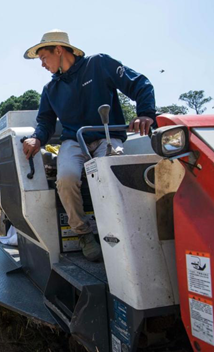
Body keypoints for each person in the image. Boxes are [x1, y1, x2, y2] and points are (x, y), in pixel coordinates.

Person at [22, 29, 156, 262]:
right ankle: (84, 234)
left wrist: (145, 113)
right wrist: (37, 138)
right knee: (66, 179)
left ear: (59, 49)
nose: (42, 64)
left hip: (107, 136)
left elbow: (140, 84)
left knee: (111, 175)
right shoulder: (50, 90)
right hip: (74, 141)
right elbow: (45, 122)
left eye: (44, 57)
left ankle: (121, 229)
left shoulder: (99, 64)